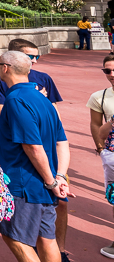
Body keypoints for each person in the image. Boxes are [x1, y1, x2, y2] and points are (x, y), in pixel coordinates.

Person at [0, 38, 68, 260]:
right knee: (46, 239)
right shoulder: (42, 98)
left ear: (5, 68)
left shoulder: (15, 100)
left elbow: (33, 147)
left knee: (15, 237)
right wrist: (59, 176)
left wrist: (52, 182)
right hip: (43, 181)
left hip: (25, 182)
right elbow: (62, 141)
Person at [86, 53, 114, 259]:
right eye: (107, 70)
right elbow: (95, 124)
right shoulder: (100, 97)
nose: (111, 74)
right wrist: (99, 147)